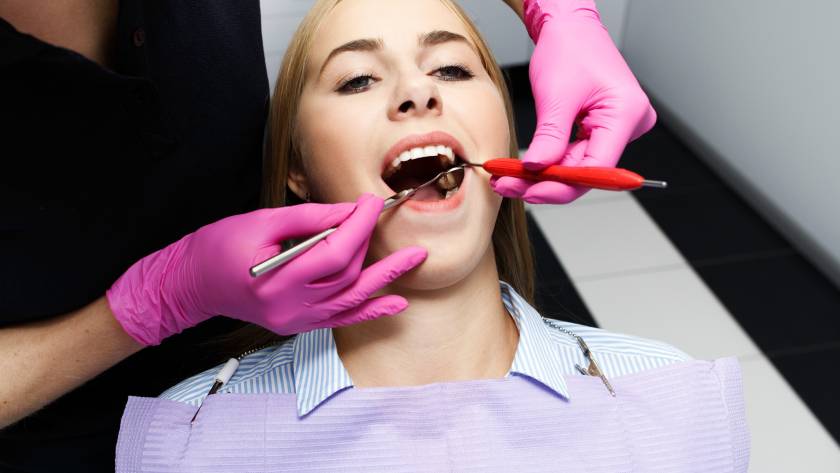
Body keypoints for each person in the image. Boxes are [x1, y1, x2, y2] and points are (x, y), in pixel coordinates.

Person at [0, 0, 657, 470]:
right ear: (297, 171)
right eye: (358, 78)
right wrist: (153, 301)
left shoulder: (659, 395)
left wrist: (559, 9)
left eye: (453, 69)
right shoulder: (187, 440)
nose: (416, 92)